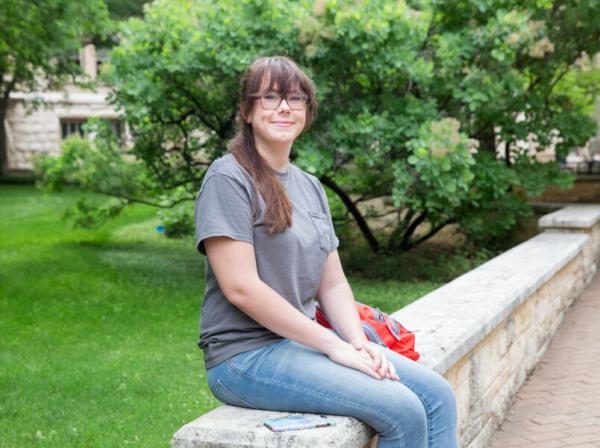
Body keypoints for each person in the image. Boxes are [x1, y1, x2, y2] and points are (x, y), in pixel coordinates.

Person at [194, 55, 458, 448]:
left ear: (307, 112)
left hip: (299, 344)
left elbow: (331, 283)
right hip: (245, 357)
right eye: (269, 97)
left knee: (437, 396)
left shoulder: (309, 186)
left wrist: (358, 342)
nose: (284, 107)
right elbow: (241, 288)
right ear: (246, 111)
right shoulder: (228, 177)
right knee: (401, 410)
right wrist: (333, 346)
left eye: (295, 99)